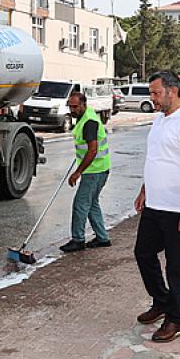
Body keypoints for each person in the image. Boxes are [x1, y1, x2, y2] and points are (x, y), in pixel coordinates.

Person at [134, 70, 180, 343]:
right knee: (143, 253)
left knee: (175, 265)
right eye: (151, 93)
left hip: (178, 208)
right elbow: (156, 159)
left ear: (172, 91)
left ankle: (174, 319)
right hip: (154, 204)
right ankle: (162, 300)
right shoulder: (159, 119)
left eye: (156, 93)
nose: (152, 98)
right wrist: (144, 190)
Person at [59, 91, 111, 253]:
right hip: (98, 169)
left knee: (81, 204)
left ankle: (78, 240)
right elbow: (86, 148)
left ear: (84, 104)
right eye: (70, 106)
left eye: (75, 106)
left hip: (94, 171)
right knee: (92, 204)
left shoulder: (89, 121)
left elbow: (93, 150)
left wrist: (78, 172)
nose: (72, 109)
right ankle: (103, 238)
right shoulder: (84, 117)